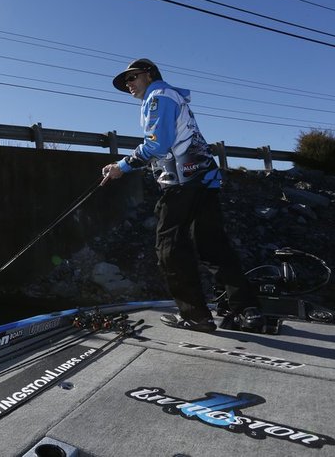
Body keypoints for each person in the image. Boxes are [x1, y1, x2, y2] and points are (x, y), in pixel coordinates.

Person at [100, 58, 262, 333]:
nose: (128, 85)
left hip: (181, 183)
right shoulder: (173, 96)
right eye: (125, 82)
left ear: (149, 74)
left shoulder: (157, 97)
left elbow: (158, 144)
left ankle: (196, 315)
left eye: (132, 77)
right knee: (213, 247)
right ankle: (246, 310)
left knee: (170, 249)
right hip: (205, 180)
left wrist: (121, 167)